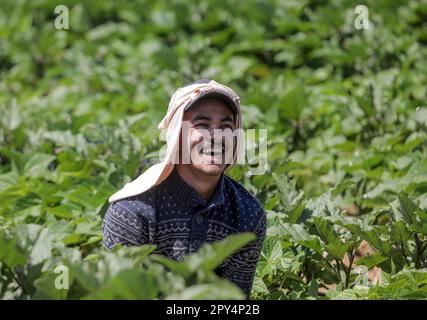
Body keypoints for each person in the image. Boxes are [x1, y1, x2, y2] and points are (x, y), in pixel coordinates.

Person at [102, 79, 266, 298]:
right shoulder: (132, 211)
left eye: (226, 126)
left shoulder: (248, 215)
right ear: (176, 134)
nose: (217, 136)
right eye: (202, 124)